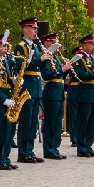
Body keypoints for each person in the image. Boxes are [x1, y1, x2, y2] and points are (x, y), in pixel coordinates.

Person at [12, 17, 43, 164]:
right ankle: (23, 152)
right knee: (26, 120)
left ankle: (30, 150)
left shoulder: (35, 46)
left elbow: (37, 67)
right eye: (33, 28)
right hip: (27, 85)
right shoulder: (20, 46)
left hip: (36, 85)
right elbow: (20, 66)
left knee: (33, 122)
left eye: (36, 28)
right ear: (25, 29)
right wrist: (40, 60)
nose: (36, 31)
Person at [70, 34, 94, 157]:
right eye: (91, 44)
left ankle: (89, 145)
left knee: (92, 122)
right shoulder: (79, 59)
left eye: (93, 44)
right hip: (85, 93)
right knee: (83, 121)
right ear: (84, 46)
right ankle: (81, 147)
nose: (93, 46)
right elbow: (81, 76)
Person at [39, 31, 70, 160]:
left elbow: (59, 75)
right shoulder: (45, 57)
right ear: (46, 43)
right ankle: (49, 149)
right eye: (52, 42)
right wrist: (61, 70)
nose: (55, 45)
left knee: (58, 122)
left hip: (59, 92)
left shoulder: (56, 57)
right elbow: (46, 75)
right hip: (51, 92)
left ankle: (55, 147)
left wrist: (66, 70)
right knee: (50, 122)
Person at [0, 35, 18, 170]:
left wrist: (14, 83)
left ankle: (5, 157)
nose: (7, 48)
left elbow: (8, 79)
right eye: (4, 46)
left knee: (9, 131)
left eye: (7, 46)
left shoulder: (6, 61)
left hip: (9, 97)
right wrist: (2, 100)